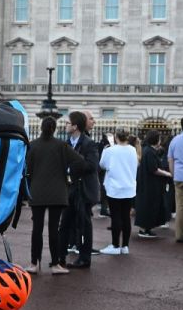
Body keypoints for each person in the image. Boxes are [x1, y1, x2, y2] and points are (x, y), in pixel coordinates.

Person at [25, 116, 90, 273]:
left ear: (41, 127)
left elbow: (27, 168)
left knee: (37, 229)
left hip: (37, 191)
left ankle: (34, 264)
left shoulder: (32, 145)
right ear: (54, 129)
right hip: (57, 192)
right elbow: (80, 161)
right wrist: (67, 171)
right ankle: (55, 264)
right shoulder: (62, 145)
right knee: (54, 230)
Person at [59, 111, 100, 269]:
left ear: (75, 126)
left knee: (84, 224)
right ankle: (60, 256)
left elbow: (92, 166)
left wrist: (72, 164)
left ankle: (85, 258)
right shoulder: (66, 143)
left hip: (83, 189)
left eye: (68, 123)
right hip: (69, 189)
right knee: (65, 224)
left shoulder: (89, 143)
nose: (66, 126)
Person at [99, 129, 139, 255]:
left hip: (114, 187)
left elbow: (102, 165)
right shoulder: (133, 150)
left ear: (116, 137)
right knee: (125, 217)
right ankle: (125, 246)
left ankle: (115, 245)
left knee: (115, 216)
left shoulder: (109, 150)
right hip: (129, 187)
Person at [134, 131, 171, 238]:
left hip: (148, 183)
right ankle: (145, 229)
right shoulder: (149, 152)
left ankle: (146, 228)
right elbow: (154, 169)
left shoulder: (148, 150)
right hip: (150, 184)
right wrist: (168, 174)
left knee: (148, 205)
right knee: (149, 206)